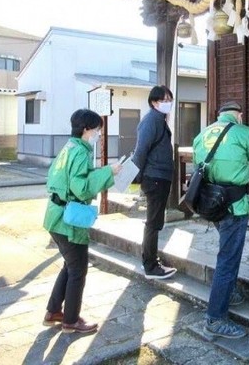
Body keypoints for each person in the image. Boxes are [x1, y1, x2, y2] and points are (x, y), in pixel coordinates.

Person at [193, 101, 249, 339]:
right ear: (238, 115)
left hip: (212, 203)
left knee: (229, 252)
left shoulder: (202, 133)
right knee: (228, 258)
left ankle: (231, 293)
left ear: (219, 115)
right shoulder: (243, 132)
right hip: (235, 205)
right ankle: (215, 318)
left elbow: (199, 167)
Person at [43, 109, 122, 333]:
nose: (98, 133)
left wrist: (102, 173)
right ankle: (71, 320)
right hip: (68, 219)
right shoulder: (80, 152)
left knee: (70, 266)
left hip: (55, 215)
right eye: (97, 129)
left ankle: (53, 312)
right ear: (87, 129)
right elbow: (81, 187)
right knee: (78, 270)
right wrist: (109, 171)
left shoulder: (69, 148)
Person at [132, 85, 177, 280]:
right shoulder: (151, 121)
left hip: (160, 177)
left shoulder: (159, 119)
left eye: (169, 99)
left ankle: (151, 261)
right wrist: (135, 176)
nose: (167, 103)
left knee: (155, 221)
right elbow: (141, 150)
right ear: (153, 102)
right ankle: (150, 265)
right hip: (155, 178)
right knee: (153, 222)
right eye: (163, 100)